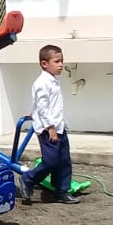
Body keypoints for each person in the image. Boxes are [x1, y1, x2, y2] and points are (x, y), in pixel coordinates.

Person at [19, 44, 78, 204]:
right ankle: (28, 178)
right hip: (48, 129)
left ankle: (62, 191)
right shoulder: (42, 82)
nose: (61, 65)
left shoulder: (54, 80)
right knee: (51, 161)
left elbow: (47, 104)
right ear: (44, 64)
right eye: (57, 62)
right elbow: (43, 106)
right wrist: (50, 127)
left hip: (59, 126)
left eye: (61, 61)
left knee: (64, 160)